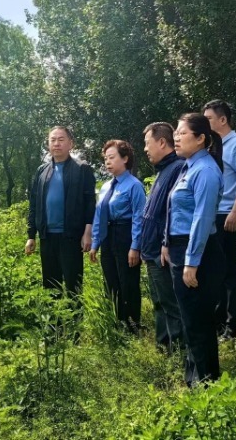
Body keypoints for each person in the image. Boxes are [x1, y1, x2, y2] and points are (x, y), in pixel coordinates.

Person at [161, 113, 225, 387]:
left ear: (200, 139)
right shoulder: (188, 167)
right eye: (175, 133)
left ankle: (207, 382)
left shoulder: (206, 171)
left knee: (198, 320)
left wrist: (191, 261)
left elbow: (202, 218)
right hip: (181, 248)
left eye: (181, 133)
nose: (176, 137)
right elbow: (175, 210)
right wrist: (167, 243)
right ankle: (194, 378)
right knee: (190, 317)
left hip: (197, 251)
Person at [26, 126, 96, 310]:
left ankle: (75, 325)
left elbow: (90, 203)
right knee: (50, 286)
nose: (56, 143)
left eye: (61, 139)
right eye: (52, 140)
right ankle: (52, 325)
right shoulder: (42, 171)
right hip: (47, 236)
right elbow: (34, 204)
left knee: (73, 285)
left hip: (71, 237)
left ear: (70, 144)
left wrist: (87, 233)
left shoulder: (82, 169)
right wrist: (31, 235)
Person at [203, 100, 236, 340]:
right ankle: (218, 320)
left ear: (222, 120)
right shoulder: (214, 146)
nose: (206, 124)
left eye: (209, 119)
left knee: (230, 270)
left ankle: (234, 326)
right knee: (216, 270)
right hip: (214, 213)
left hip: (228, 214)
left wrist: (235, 211)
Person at [90, 140, 146, 333]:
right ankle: (118, 322)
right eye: (106, 158)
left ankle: (133, 324)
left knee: (128, 281)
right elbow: (99, 216)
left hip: (126, 234)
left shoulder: (134, 186)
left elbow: (139, 217)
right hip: (108, 235)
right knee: (111, 281)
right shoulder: (106, 187)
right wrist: (95, 243)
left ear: (125, 158)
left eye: (112, 157)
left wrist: (135, 246)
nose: (107, 162)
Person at [141, 123, 184, 353]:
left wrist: (164, 244)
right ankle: (163, 348)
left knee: (170, 304)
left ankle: (178, 352)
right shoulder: (162, 170)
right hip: (151, 250)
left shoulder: (177, 168)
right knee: (159, 302)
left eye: (147, 143)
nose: (145, 149)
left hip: (162, 251)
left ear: (161, 142)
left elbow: (173, 212)